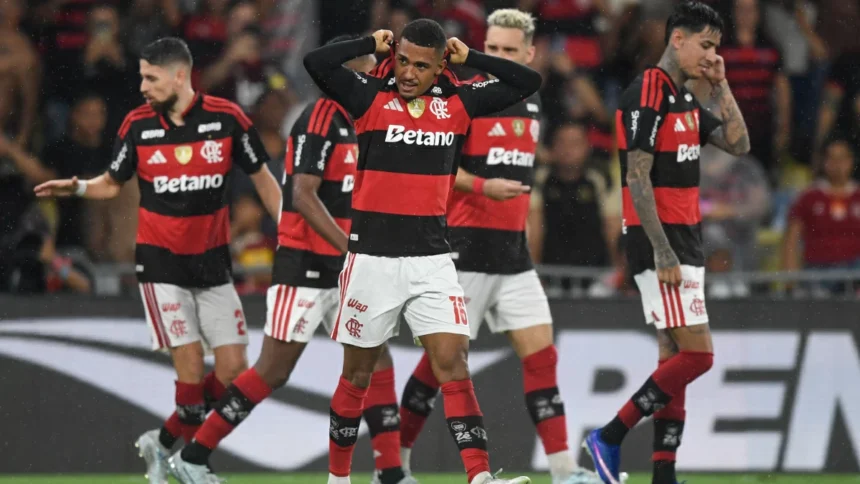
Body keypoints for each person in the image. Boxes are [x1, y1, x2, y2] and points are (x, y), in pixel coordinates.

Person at [168, 34, 416, 484]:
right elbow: (301, 195)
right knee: (273, 370)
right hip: (306, 265)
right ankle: (193, 455)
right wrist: (350, 246)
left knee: (376, 360)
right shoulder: (318, 118)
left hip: (347, 269)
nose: (378, 72)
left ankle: (391, 473)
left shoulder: (369, 119)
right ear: (346, 71)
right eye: (369, 64)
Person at [33, 37, 283, 484]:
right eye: (141, 77)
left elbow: (263, 178)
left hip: (213, 266)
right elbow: (113, 182)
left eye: (150, 78)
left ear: (178, 75)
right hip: (161, 266)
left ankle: (164, 442)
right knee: (191, 378)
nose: (143, 86)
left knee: (232, 373)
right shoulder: (137, 124)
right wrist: (79, 187)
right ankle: (193, 464)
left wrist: (289, 227)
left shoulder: (227, 118)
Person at [304, 20, 542, 484]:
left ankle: (480, 478)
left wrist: (472, 58)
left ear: (440, 66)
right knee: (356, 376)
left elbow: (527, 81)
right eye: (403, 61)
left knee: (453, 363)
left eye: (421, 65)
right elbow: (315, 63)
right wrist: (367, 44)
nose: (409, 73)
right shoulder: (368, 95)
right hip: (371, 261)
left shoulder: (459, 101)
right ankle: (338, 479)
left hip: (432, 261)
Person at [395, 10, 600, 484]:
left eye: (508, 51)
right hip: (466, 252)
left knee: (542, 358)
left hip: (514, 257)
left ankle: (564, 471)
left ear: (529, 54)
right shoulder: (463, 99)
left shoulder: (531, 102)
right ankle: (395, 465)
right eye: (492, 48)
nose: (497, 57)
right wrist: (483, 187)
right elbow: (435, 167)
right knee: (438, 366)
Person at [581, 3, 750, 484]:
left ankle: (663, 474)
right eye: (706, 45)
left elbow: (739, 144)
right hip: (662, 241)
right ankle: (609, 435)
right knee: (698, 356)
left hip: (684, 237)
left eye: (716, 47)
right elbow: (636, 176)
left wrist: (721, 84)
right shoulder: (648, 92)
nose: (711, 55)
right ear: (678, 39)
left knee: (672, 357)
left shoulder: (683, 97)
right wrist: (663, 252)